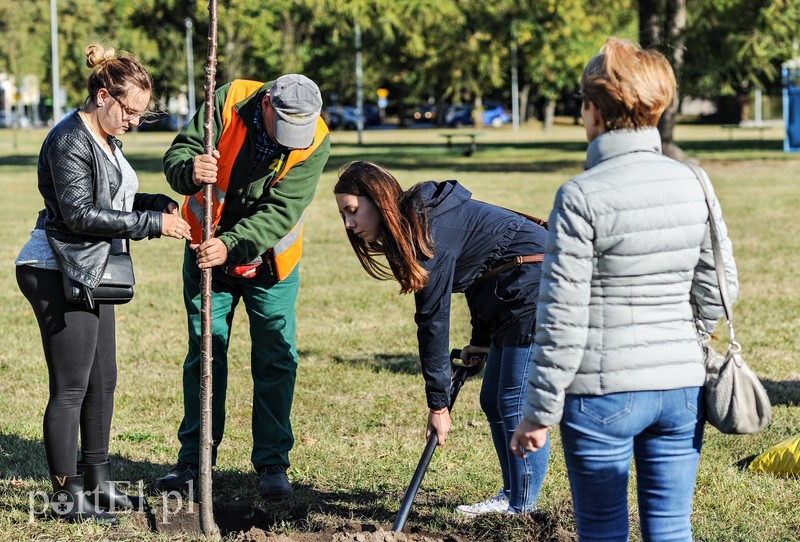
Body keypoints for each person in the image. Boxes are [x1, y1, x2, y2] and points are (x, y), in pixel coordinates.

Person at [510, 38, 739, 541]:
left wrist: (538, 413)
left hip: (600, 393)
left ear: (593, 111)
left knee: (602, 531)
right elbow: (721, 290)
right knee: (672, 528)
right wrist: (698, 344)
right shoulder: (695, 181)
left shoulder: (579, 196)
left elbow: (560, 318)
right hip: (681, 386)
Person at [15, 44, 191, 524]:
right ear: (102, 96)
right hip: (55, 269)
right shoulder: (69, 139)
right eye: (130, 110)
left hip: (90, 270)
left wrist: (159, 201)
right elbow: (79, 214)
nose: (135, 120)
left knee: (102, 382)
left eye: (141, 113)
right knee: (71, 388)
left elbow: (114, 197)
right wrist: (153, 224)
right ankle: (67, 497)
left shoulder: (107, 139)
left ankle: (99, 482)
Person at [334, 161, 550, 516]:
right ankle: (512, 494)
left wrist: (438, 405)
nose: (349, 224)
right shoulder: (419, 220)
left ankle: (521, 506)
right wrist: (481, 339)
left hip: (536, 287)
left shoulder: (426, 229)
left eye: (353, 211)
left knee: (512, 400)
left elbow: (433, 322)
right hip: (512, 290)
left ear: (378, 199)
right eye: (344, 215)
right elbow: (485, 267)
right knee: (494, 401)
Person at [155, 74, 330, 500]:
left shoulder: (317, 139)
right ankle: (195, 459)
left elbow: (280, 212)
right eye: (285, 126)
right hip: (204, 253)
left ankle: (272, 463)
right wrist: (190, 170)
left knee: (275, 357)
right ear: (267, 104)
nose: (293, 140)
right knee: (205, 351)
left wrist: (230, 245)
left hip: (269, 263)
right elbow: (179, 153)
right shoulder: (229, 99)